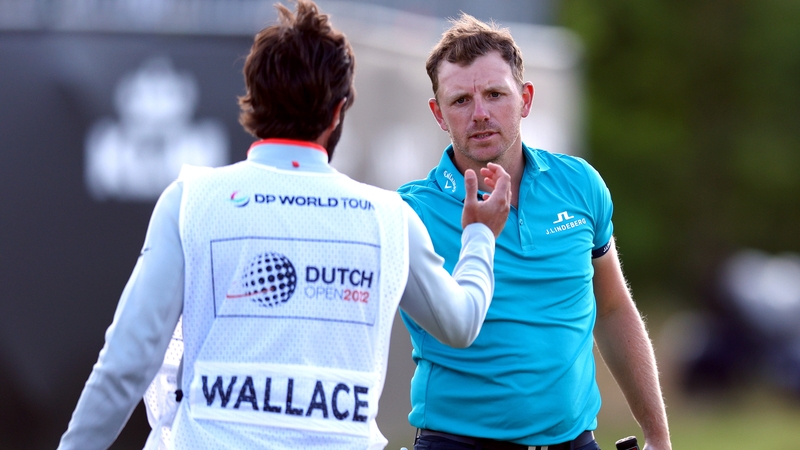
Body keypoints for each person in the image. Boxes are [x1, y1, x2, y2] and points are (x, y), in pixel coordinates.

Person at [56, 2, 512, 449]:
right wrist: (478, 236)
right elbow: (460, 324)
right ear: (338, 111)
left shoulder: (191, 200)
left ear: (253, 99)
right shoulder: (390, 216)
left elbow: (126, 364)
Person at [397, 14, 672, 450]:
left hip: (574, 441)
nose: (480, 113)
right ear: (437, 112)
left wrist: (658, 435)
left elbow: (615, 307)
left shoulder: (580, 185)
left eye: (494, 94)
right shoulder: (410, 211)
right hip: (457, 442)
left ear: (524, 99)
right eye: (461, 100)